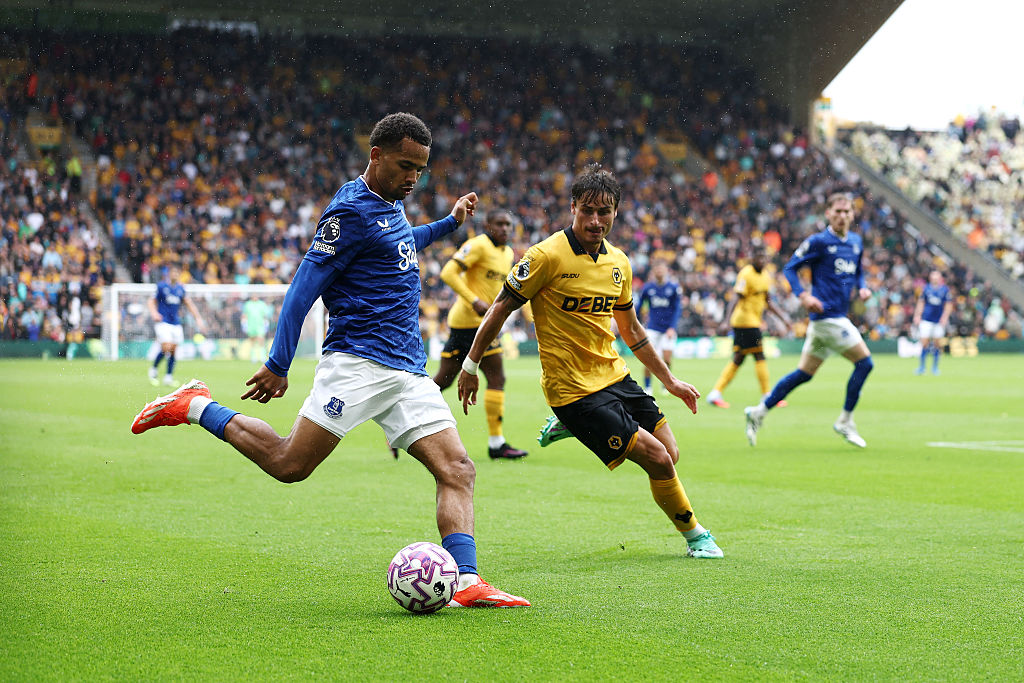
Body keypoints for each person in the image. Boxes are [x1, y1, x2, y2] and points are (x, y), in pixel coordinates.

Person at [131, 112, 529, 608]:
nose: (412, 178)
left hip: (407, 370)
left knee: (459, 469)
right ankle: (194, 405)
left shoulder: (390, 204)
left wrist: (449, 224)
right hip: (357, 363)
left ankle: (466, 581)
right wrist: (279, 363)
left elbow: (402, 244)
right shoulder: (349, 211)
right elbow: (303, 287)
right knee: (288, 464)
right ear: (376, 155)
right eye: (405, 166)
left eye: (420, 170)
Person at [457, 165, 723, 559]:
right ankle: (697, 536)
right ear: (573, 208)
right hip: (572, 388)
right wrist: (470, 365)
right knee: (658, 459)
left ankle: (571, 427)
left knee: (671, 452)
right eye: (588, 211)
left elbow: (631, 330)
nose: (596, 221)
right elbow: (499, 309)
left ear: (616, 213)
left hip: (614, 374)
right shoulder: (545, 255)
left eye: (605, 212)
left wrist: (669, 381)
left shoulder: (619, 263)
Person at [744, 193, 874, 448]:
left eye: (847, 212)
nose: (842, 216)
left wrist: (863, 287)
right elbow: (790, 267)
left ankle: (759, 411)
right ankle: (845, 421)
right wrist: (803, 295)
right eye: (837, 211)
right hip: (828, 318)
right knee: (865, 364)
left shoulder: (856, 241)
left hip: (830, 319)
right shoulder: (819, 242)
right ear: (828, 213)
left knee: (804, 374)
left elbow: (858, 271)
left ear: (852, 214)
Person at [432, 210, 528, 460]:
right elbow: (448, 273)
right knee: (445, 379)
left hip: (485, 325)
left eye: (509, 224)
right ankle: (400, 418)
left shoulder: (507, 253)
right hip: (464, 323)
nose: (505, 228)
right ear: (488, 224)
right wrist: (473, 300)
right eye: (500, 223)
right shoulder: (477, 245)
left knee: (497, 377)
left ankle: (497, 443)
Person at [706, 245, 791, 408]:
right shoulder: (746, 273)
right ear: (752, 258)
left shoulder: (766, 276)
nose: (761, 260)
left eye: (763, 257)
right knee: (759, 356)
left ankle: (715, 393)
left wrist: (784, 318)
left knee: (738, 359)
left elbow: (768, 302)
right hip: (745, 322)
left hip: (750, 322)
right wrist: (726, 320)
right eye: (758, 257)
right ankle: (767, 396)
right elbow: (735, 298)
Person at [148, 264, 205, 386]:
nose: (174, 275)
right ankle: (154, 368)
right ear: (169, 274)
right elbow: (151, 301)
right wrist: (154, 313)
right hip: (163, 321)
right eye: (173, 272)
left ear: (179, 275)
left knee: (173, 350)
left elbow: (189, 304)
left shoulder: (181, 289)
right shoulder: (161, 286)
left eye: (176, 273)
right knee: (166, 347)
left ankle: (168, 376)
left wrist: (198, 318)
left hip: (176, 323)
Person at [634, 259, 681, 394]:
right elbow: (639, 306)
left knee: (667, 359)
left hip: (668, 329)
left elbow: (677, 309)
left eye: (662, 269)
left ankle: (665, 384)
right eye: (657, 269)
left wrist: (672, 327)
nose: (659, 271)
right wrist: (634, 322)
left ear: (666, 271)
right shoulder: (648, 288)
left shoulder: (673, 288)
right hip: (652, 328)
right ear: (654, 271)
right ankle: (648, 387)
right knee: (649, 358)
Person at [912, 270, 952, 375]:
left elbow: (948, 304)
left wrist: (945, 317)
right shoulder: (926, 289)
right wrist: (917, 315)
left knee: (937, 344)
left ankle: (935, 367)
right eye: (933, 277)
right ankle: (922, 367)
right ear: (930, 278)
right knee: (924, 343)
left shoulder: (944, 290)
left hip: (938, 321)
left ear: (939, 278)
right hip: (926, 320)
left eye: (936, 277)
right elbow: (921, 302)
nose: (935, 279)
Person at [241, 296, 274, 363]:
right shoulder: (248, 304)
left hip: (260, 325)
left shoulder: (262, 304)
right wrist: (244, 325)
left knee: (261, 340)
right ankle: (253, 358)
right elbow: (244, 315)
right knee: (252, 341)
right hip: (251, 325)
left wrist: (266, 324)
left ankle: (262, 357)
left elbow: (265, 315)